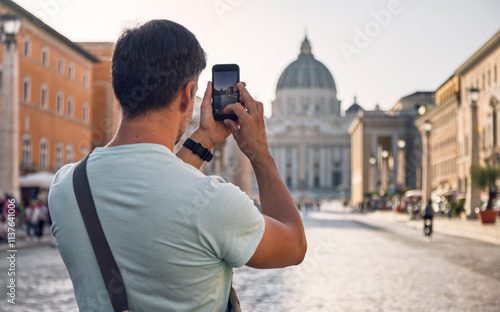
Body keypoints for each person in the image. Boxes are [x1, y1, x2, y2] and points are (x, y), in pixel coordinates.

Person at [49, 19, 306, 311]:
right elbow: (294, 244)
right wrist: (259, 153)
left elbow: (156, 190)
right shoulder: (213, 202)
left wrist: (205, 139)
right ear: (188, 95)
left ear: (118, 92)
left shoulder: (64, 187)